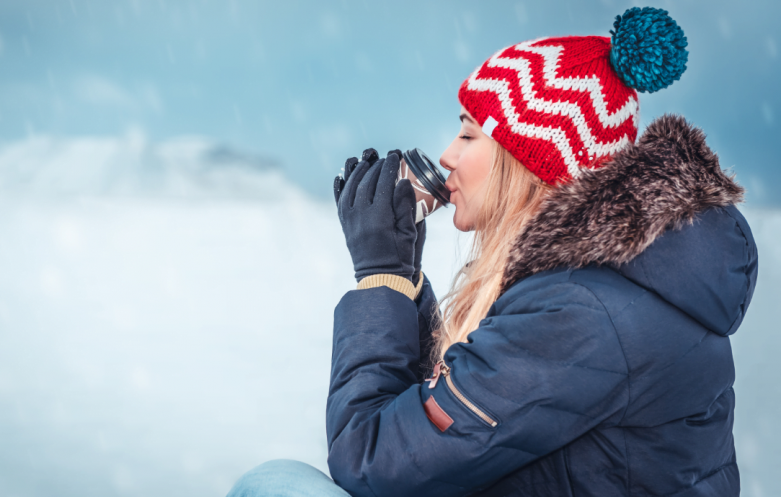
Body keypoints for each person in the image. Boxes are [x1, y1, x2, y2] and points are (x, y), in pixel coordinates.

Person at [228, 7, 758, 496]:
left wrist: (380, 277)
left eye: (469, 134)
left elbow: (373, 460)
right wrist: (405, 278)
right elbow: (438, 432)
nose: (446, 155)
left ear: (528, 164)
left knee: (277, 486)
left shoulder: (582, 314)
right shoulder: (603, 285)